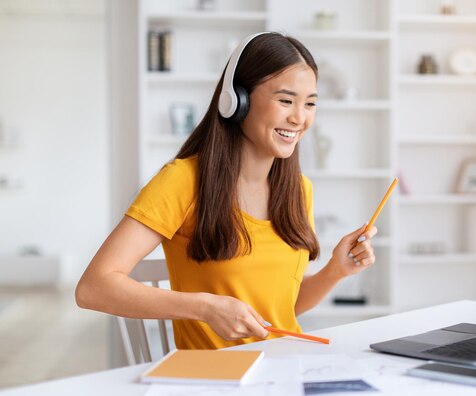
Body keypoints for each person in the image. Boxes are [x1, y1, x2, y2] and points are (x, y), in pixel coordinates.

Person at [75, 32, 377, 350]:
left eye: (310, 104)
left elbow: (280, 310)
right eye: (286, 100)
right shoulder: (183, 180)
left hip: (283, 371)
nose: (299, 118)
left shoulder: (299, 190)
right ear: (237, 100)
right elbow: (93, 288)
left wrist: (335, 271)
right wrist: (204, 308)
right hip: (213, 381)